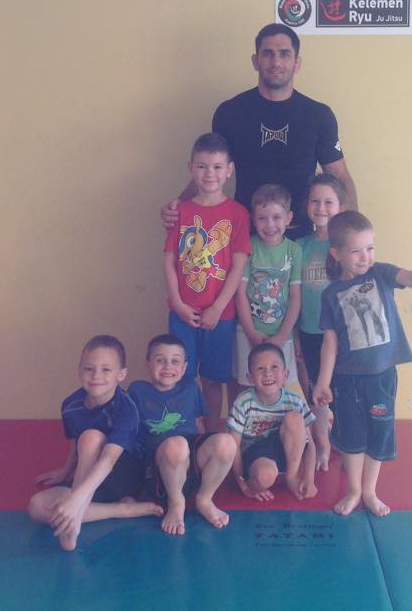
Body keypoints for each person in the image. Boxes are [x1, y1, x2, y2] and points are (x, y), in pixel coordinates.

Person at [312, 211, 412, 517]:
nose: (365, 256)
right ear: (337, 254)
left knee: (379, 432)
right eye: (356, 251)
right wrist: (323, 382)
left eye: (370, 248)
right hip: (347, 379)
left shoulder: (380, 274)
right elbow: (330, 342)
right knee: (352, 435)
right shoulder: (331, 294)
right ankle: (354, 490)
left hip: (381, 377)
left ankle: (369, 490)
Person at [161, 23, 358, 239]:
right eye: (267, 54)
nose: (276, 62)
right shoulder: (230, 112)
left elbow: (339, 175)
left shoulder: (319, 115)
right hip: (243, 236)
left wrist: (351, 235)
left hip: (301, 239)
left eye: (284, 54)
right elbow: (211, 171)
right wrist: (180, 205)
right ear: (255, 61)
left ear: (297, 63)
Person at [28, 335, 163, 551]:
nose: (96, 376)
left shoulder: (127, 408)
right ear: (79, 371)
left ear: (121, 375)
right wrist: (65, 471)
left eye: (106, 370)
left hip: (126, 477)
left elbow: (109, 459)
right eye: (89, 369)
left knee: (91, 436)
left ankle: (74, 520)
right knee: (36, 506)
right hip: (92, 480)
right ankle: (120, 510)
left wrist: (75, 500)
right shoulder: (70, 405)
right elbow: (76, 442)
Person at [164, 133, 251, 432]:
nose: (209, 174)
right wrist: (177, 303)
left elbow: (238, 266)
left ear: (229, 170)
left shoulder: (238, 213)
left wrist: (217, 307)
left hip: (220, 316)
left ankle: (213, 434)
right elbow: (169, 261)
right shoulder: (181, 211)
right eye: (202, 166)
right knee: (181, 377)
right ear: (190, 168)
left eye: (217, 167)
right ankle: (186, 434)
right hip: (182, 313)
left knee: (214, 379)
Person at [128, 334, 237, 536]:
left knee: (226, 441)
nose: (168, 367)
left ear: (185, 367)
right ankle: (176, 503)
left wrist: (210, 455)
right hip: (159, 470)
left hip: (189, 462)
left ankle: (204, 499)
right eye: (160, 360)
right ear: (148, 364)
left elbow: (198, 424)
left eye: (175, 361)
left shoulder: (191, 388)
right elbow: (128, 431)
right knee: (177, 444)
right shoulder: (137, 390)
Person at [295, 173, 347, 471]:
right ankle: (322, 445)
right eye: (315, 201)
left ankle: (345, 439)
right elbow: (295, 295)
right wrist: (295, 336)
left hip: (341, 335)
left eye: (329, 202)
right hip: (311, 331)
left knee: (343, 389)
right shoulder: (299, 246)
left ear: (340, 206)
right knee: (318, 392)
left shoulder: (346, 246)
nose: (321, 208)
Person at [233, 184, 302, 402]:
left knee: (278, 387)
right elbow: (240, 293)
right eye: (262, 218)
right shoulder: (248, 246)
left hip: (282, 334)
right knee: (246, 385)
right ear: (253, 219)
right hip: (248, 332)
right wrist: (251, 332)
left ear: (289, 218)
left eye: (276, 217)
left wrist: (282, 335)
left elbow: (295, 297)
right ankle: (243, 422)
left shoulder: (294, 251)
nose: (270, 225)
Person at [228, 343, 318, 502]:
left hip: (285, 450)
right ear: (250, 378)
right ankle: (262, 477)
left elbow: (309, 444)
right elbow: (233, 445)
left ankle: (291, 477)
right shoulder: (243, 402)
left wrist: (309, 479)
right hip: (255, 455)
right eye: (260, 369)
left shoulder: (294, 401)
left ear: (285, 374)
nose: (268, 373)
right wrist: (243, 483)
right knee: (265, 476)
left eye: (274, 367)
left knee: (295, 418)